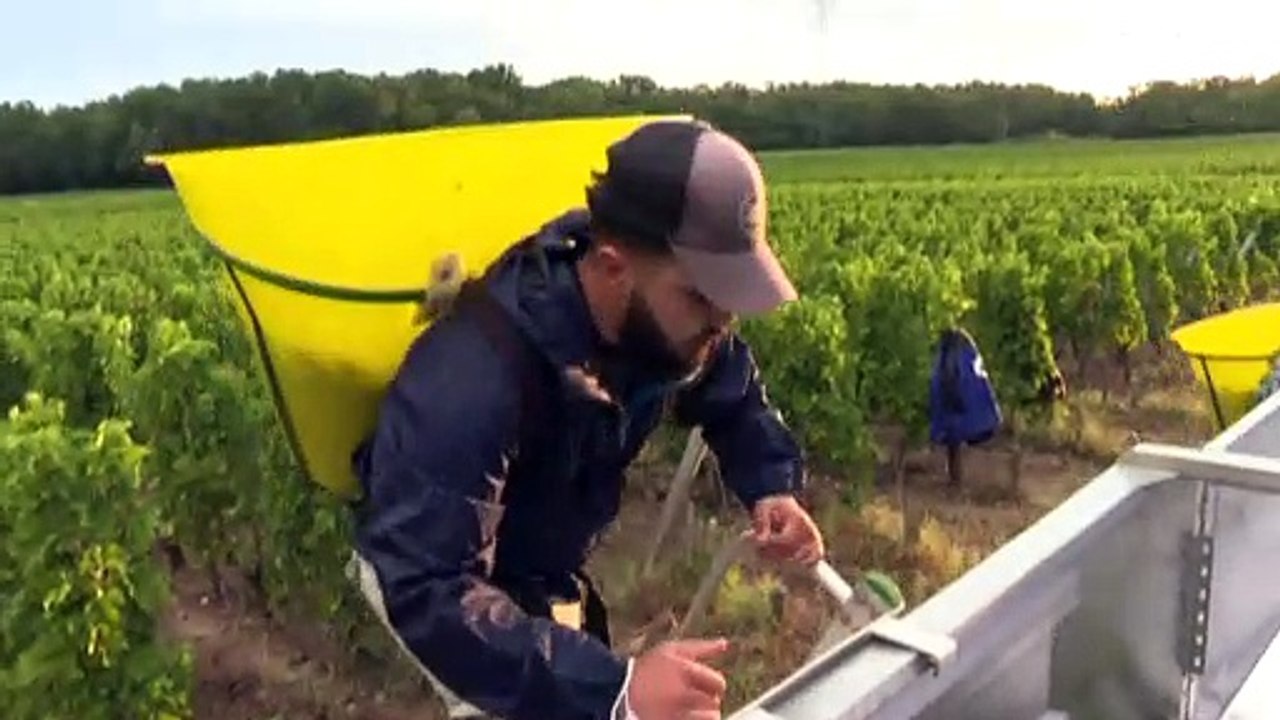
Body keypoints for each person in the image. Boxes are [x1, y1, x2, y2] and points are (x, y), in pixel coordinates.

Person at [348, 119, 825, 720]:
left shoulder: (668, 326)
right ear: (613, 266)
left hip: (536, 556)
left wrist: (770, 485)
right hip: (438, 569)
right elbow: (426, 586)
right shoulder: (471, 376)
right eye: (702, 296)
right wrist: (615, 689)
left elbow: (729, 392)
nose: (722, 320)